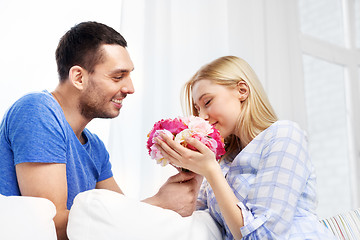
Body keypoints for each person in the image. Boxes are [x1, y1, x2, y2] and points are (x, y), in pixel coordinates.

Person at [0, 21, 201, 240]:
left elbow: (118, 219)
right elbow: (50, 225)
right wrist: (158, 204)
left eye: (129, 75)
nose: (130, 88)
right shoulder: (37, 110)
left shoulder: (94, 147)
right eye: (117, 76)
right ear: (79, 77)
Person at [155, 56, 337, 239]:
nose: (201, 116)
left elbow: (264, 236)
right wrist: (192, 174)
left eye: (207, 102)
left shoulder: (284, 135)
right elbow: (192, 219)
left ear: (242, 90)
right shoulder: (224, 161)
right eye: (197, 109)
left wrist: (211, 171)